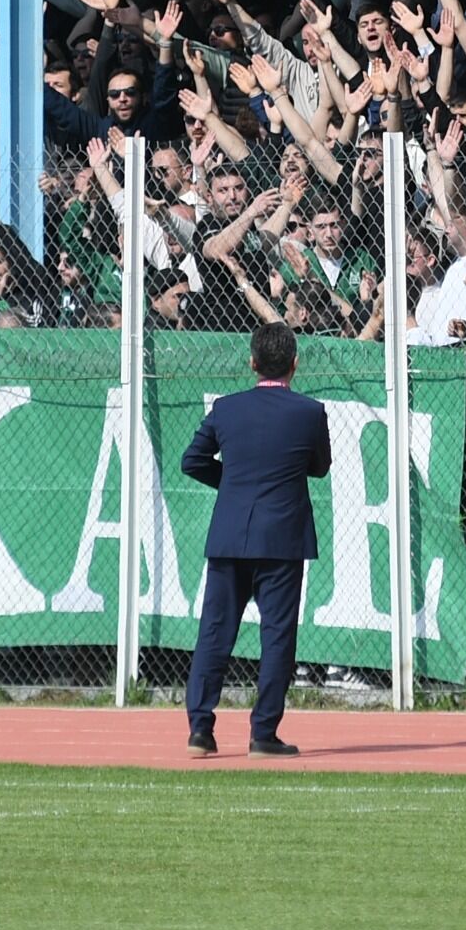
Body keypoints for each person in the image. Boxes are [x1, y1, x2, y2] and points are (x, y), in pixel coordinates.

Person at [181, 322, 332, 758]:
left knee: (214, 633)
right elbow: (319, 467)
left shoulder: (226, 408)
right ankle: (263, 733)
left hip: (231, 535)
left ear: (252, 363)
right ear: (294, 365)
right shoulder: (309, 412)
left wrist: (233, 484)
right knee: (277, 637)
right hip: (282, 538)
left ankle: (199, 730)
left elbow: (192, 461)